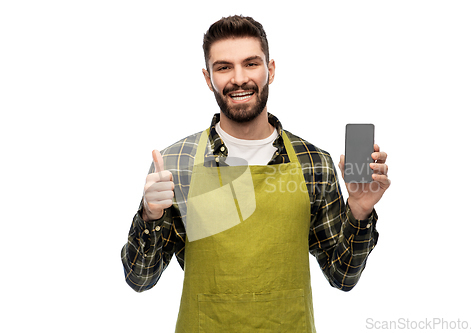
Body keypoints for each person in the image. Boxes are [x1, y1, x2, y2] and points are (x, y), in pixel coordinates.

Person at [121, 15, 390, 332]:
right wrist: (150, 215)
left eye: (251, 64)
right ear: (208, 78)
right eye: (224, 67)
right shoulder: (175, 163)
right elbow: (140, 279)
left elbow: (343, 276)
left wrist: (359, 212)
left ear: (270, 70)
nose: (238, 78)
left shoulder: (313, 163)